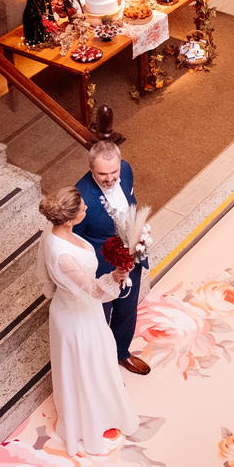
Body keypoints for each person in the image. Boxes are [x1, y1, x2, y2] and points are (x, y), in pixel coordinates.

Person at [39, 187, 139, 454]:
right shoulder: (63, 256)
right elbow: (95, 292)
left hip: (77, 307)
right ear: (70, 219)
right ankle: (91, 418)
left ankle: (104, 398)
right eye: (83, 208)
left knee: (95, 359)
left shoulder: (54, 233)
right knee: (86, 366)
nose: (87, 210)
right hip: (77, 318)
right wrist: (117, 276)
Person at [73, 142, 151, 375]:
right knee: (100, 316)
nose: (110, 179)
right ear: (90, 168)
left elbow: (131, 202)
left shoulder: (125, 170)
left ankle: (121, 353)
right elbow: (74, 239)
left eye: (113, 172)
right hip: (101, 268)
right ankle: (100, 364)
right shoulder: (82, 197)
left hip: (132, 257)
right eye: (102, 174)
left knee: (127, 309)